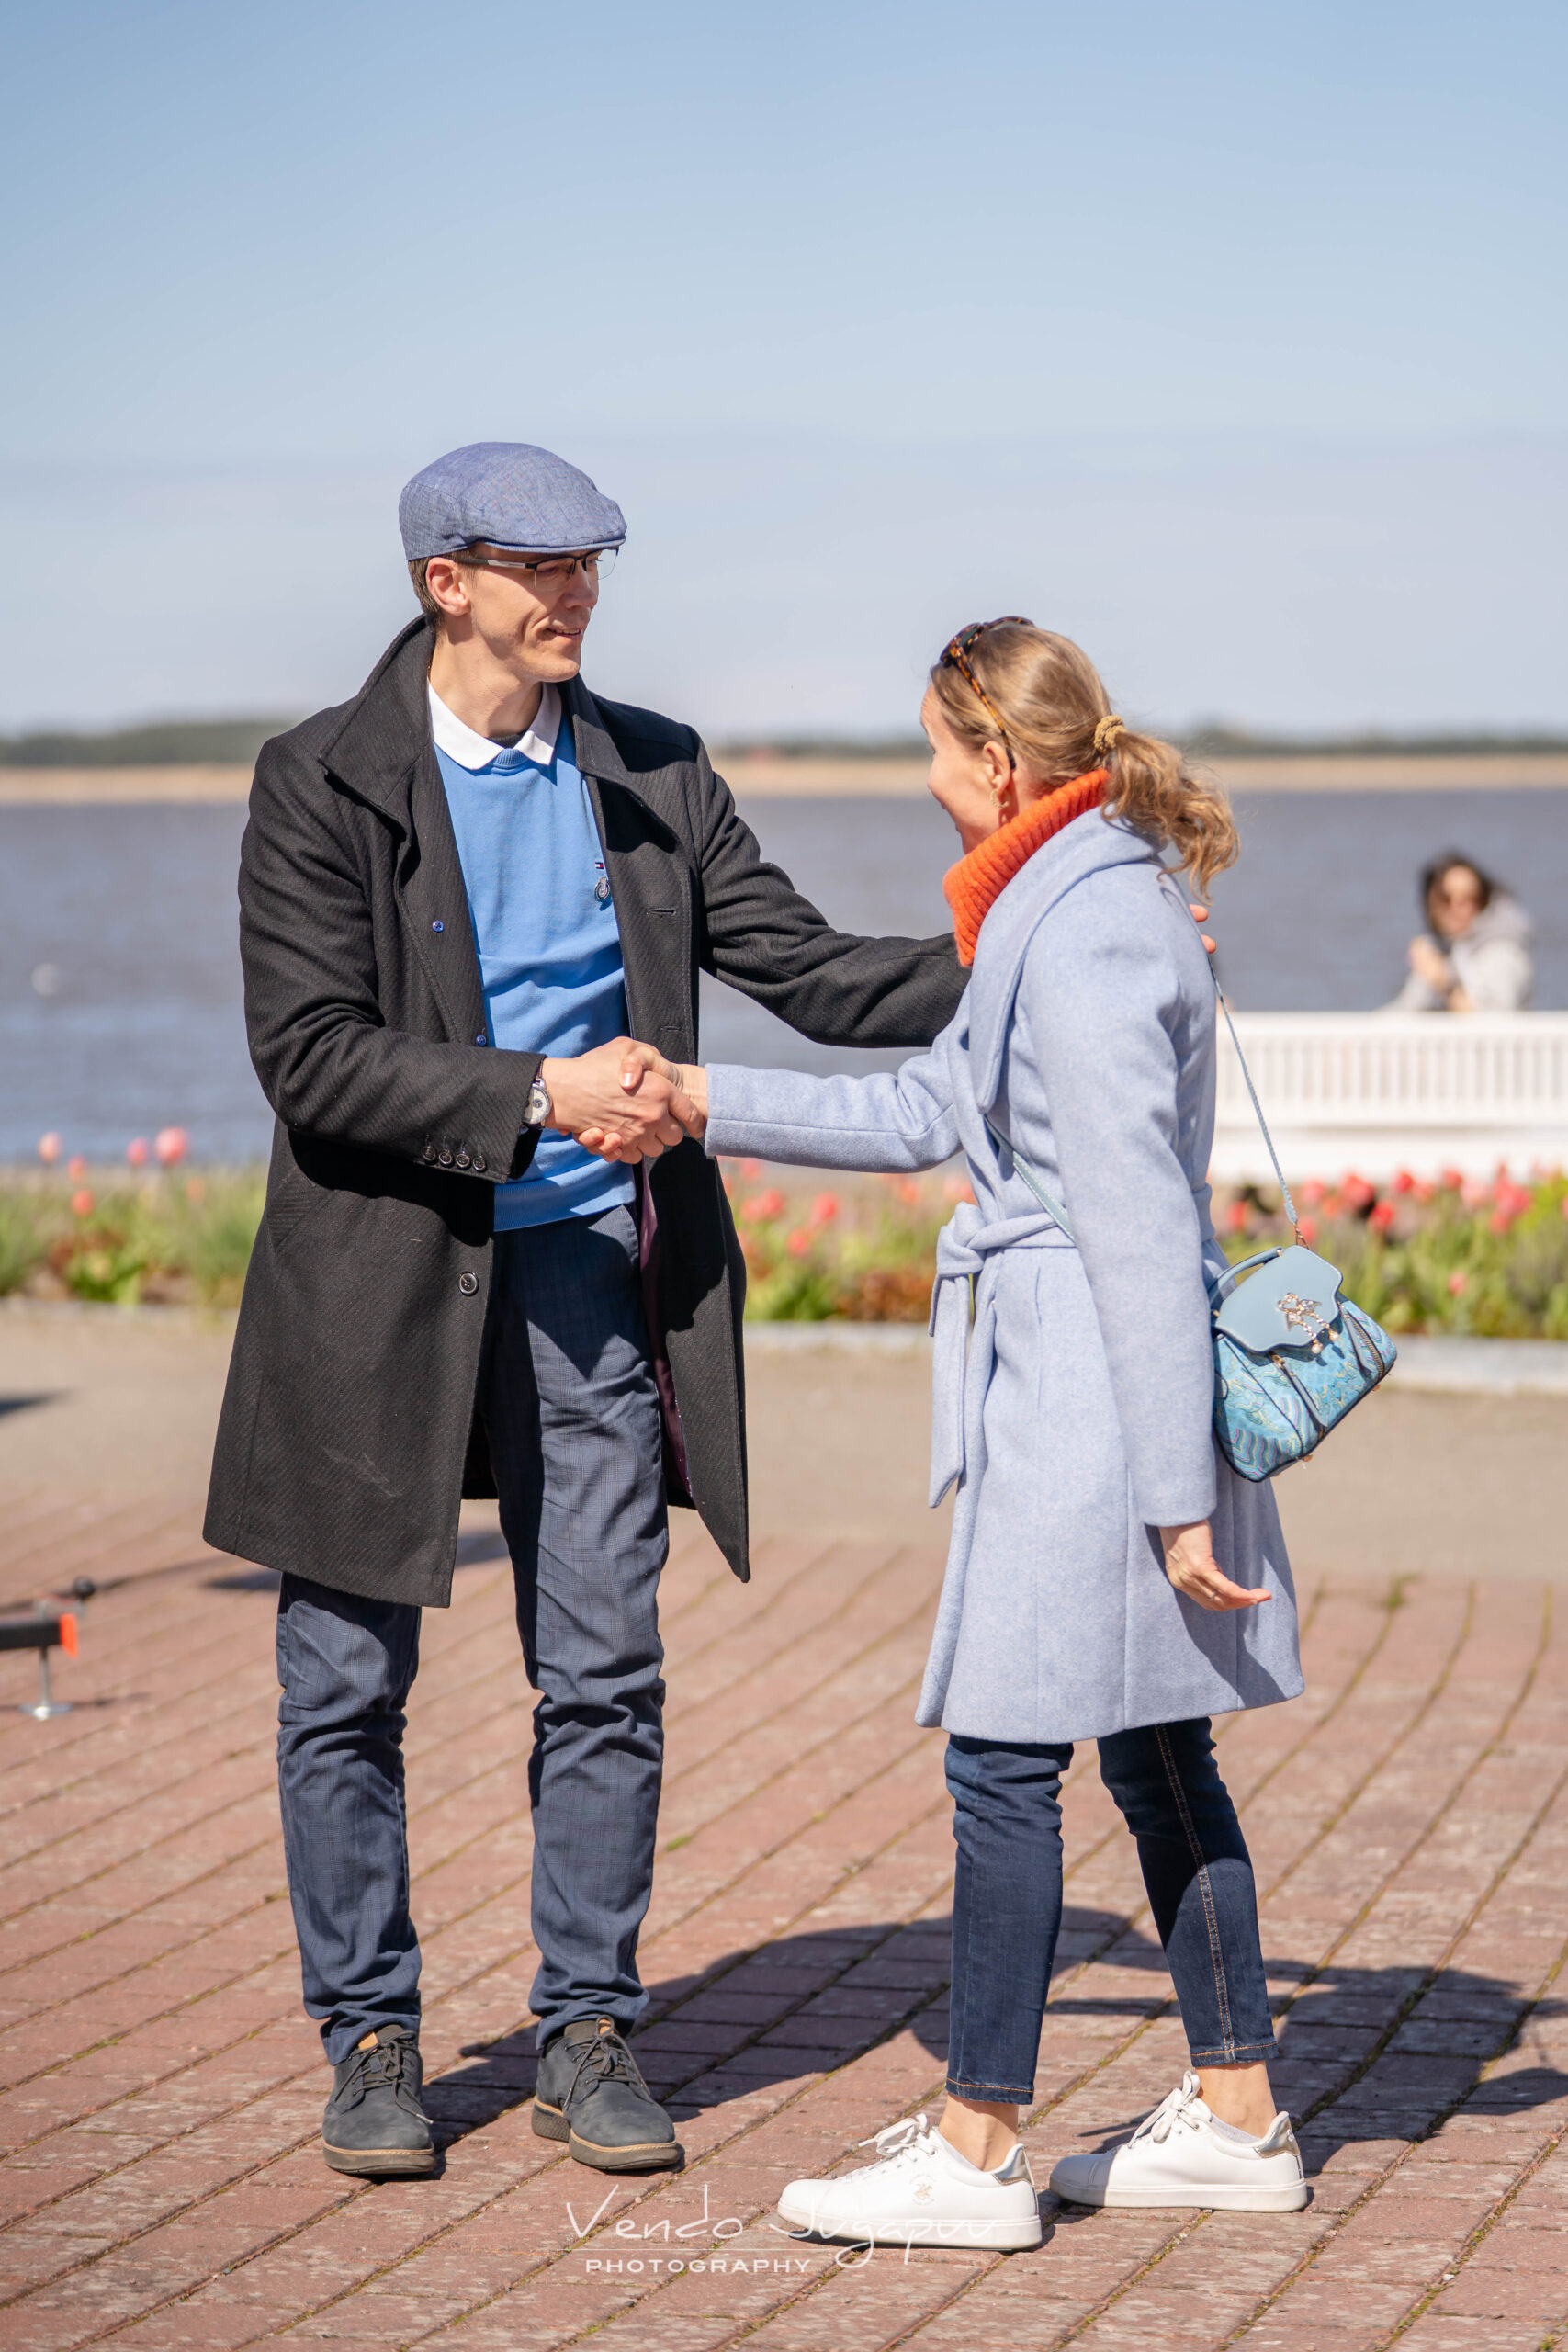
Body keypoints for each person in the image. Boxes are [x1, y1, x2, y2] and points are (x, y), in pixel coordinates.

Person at [204, 442, 966, 2180]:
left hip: (590, 1281)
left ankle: (588, 2030)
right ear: (444, 583)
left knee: (606, 1672)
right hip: (374, 1284)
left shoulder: (652, 768)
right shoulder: (318, 779)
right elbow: (311, 1058)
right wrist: (545, 1094)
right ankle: (371, 2041)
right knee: (343, 1686)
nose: (576, 591)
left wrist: (1027, 947)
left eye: (590, 561)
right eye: (538, 564)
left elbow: (812, 974)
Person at [639, 621, 1311, 2245]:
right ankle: (1235, 2118)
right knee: (1154, 1751)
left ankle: (977, 2148)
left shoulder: (1078, 929)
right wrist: (701, 1098)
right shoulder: (1072, 895)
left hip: (1090, 1391)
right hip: (1093, 1378)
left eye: (937, 752)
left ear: (996, 762)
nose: (925, 780)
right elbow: (927, 1109)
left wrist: (1173, 1495)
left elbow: (1135, 1219)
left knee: (1003, 1761)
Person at [1389, 854, 1533, 1012]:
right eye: (1446, 898)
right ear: (1429, 903)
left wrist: (1445, 985)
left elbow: (1495, 1018)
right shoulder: (1440, 950)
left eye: (1470, 898)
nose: (1457, 908)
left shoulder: (1501, 953)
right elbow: (1404, 1012)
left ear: (1484, 900)